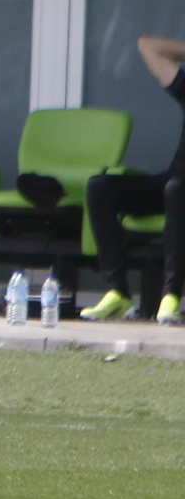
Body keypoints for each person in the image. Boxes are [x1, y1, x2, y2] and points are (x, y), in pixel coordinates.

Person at [81, 35, 185, 325]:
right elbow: (146, 46)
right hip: (173, 186)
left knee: (177, 190)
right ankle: (118, 292)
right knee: (100, 187)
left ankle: (171, 296)